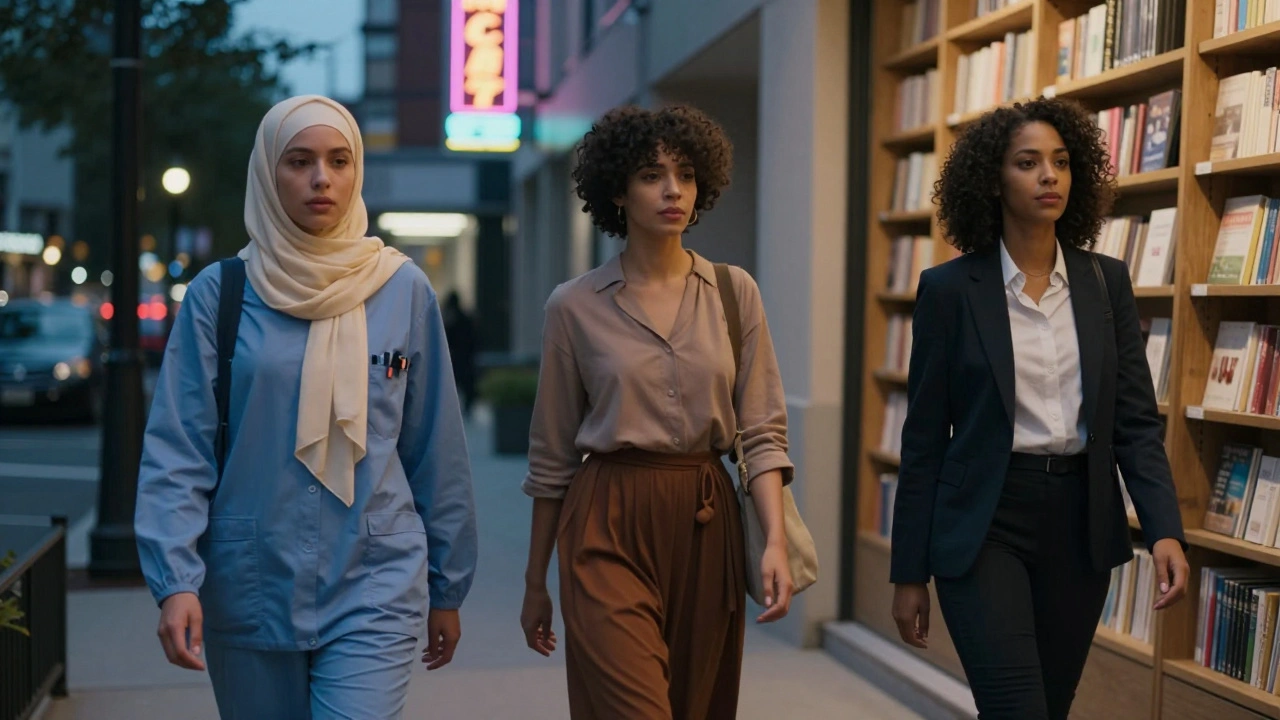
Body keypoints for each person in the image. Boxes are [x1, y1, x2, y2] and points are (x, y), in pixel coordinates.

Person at [134, 95, 478, 719]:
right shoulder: (221, 294)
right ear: (269, 172)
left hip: (376, 583)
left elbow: (435, 448)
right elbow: (178, 448)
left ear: (357, 171)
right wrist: (175, 580)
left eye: (339, 160)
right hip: (250, 585)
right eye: (300, 161)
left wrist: (448, 586)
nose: (322, 178)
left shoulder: (402, 289)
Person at [889, 96, 1191, 719]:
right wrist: (908, 572)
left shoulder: (1106, 283)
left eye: (1060, 161)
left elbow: (1134, 422)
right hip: (985, 522)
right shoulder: (949, 291)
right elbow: (922, 442)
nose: (1048, 176)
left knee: (1049, 709)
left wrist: (1164, 528)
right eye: (1028, 163)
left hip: (1080, 523)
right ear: (993, 180)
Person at [518, 104, 795, 719]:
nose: (674, 190)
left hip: (705, 518)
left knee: (693, 704)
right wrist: (537, 580)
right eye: (651, 174)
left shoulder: (734, 291)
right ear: (617, 189)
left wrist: (774, 539)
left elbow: (762, 432)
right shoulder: (573, 306)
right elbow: (551, 455)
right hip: (606, 519)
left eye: (687, 175)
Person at [441, 290, 477, 418]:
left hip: (456, 358)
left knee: (455, 385)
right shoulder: (465, 319)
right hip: (464, 358)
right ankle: (466, 408)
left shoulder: (451, 320)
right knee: (466, 386)